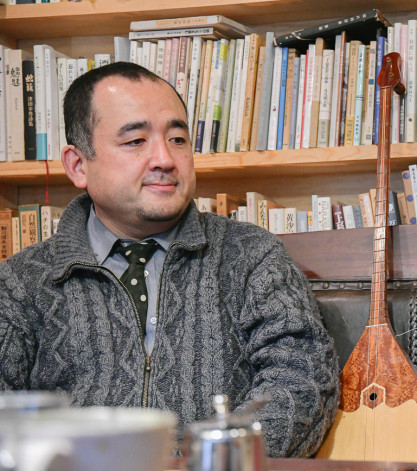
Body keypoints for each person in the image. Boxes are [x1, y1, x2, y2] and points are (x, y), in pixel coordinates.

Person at [0, 62, 339, 458]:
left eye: (177, 139)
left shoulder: (252, 255)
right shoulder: (20, 282)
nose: (164, 159)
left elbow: (303, 380)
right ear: (78, 165)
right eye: (135, 141)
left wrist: (206, 460)